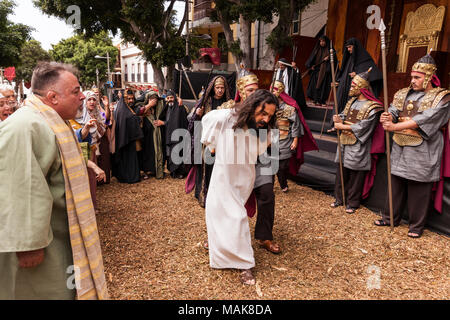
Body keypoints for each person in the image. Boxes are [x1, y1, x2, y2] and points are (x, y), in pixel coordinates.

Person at [0, 61, 108, 299]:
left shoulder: (50, 122)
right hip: (38, 252)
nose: (82, 97)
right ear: (52, 97)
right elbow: (19, 188)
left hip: (59, 239)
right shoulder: (26, 126)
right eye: (75, 91)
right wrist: (28, 244)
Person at [202, 89, 278, 285]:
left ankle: (244, 262)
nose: (266, 119)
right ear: (252, 106)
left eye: (270, 115)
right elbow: (208, 119)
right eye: (263, 113)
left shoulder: (264, 131)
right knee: (216, 213)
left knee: (237, 217)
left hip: (243, 179)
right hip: (221, 176)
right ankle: (229, 253)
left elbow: (263, 146)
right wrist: (212, 142)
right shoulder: (227, 118)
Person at [374, 54, 450, 238]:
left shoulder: (442, 97)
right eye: (412, 76)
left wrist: (394, 126)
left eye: (417, 77)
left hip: (424, 149)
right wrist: (387, 116)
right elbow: (393, 109)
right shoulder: (403, 93)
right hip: (400, 146)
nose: (412, 81)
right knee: (396, 184)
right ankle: (389, 217)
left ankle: (416, 226)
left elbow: (425, 119)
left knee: (419, 188)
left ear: (429, 76)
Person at [331, 68, 384, 214]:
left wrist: (341, 125)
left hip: (358, 145)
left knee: (356, 175)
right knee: (341, 171)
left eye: (354, 86)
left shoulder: (373, 107)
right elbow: (344, 115)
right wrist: (339, 118)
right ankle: (339, 198)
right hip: (344, 141)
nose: (351, 88)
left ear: (362, 88)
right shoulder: (351, 102)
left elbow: (364, 127)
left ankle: (353, 203)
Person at [187, 76, 233, 206]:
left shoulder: (228, 103)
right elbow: (192, 121)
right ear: (213, 88)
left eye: (222, 88)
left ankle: (219, 196)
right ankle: (204, 194)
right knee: (206, 168)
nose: (220, 90)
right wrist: (197, 114)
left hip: (222, 141)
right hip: (207, 142)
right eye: (217, 88)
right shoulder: (205, 102)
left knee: (221, 169)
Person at [335, 38, 383, 114]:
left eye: (350, 47)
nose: (348, 49)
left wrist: (358, 74)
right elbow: (344, 73)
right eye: (347, 47)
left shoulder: (364, 58)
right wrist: (339, 81)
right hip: (346, 89)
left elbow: (373, 74)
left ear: (355, 47)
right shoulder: (349, 58)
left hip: (357, 93)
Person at [112, 89, 144, 184]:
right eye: (128, 99)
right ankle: (129, 177)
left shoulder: (125, 108)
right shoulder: (123, 110)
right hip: (126, 140)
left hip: (128, 139)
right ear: (124, 99)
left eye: (132, 99)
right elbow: (128, 122)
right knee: (127, 159)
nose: (131, 101)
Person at [134, 89, 167, 179]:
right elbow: (138, 112)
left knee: (159, 152)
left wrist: (162, 122)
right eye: (152, 98)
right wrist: (149, 105)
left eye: (155, 98)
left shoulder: (161, 106)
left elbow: (170, 103)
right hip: (146, 135)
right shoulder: (142, 105)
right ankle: (147, 171)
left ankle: (158, 170)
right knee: (147, 152)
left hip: (159, 134)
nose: (154, 100)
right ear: (147, 98)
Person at [164, 90, 189, 178]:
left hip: (179, 135)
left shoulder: (180, 107)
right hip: (169, 135)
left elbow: (183, 121)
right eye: (168, 98)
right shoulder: (166, 107)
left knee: (179, 153)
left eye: (171, 97)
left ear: (175, 98)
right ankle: (173, 172)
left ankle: (180, 172)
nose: (170, 99)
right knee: (171, 154)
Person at [305, 35, 336, 106]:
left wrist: (329, 59)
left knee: (323, 87)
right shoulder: (317, 49)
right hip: (316, 70)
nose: (321, 43)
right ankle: (314, 100)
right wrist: (311, 66)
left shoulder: (330, 50)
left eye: (323, 41)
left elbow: (334, 61)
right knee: (314, 86)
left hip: (325, 71)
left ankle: (322, 101)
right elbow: (312, 58)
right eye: (320, 41)